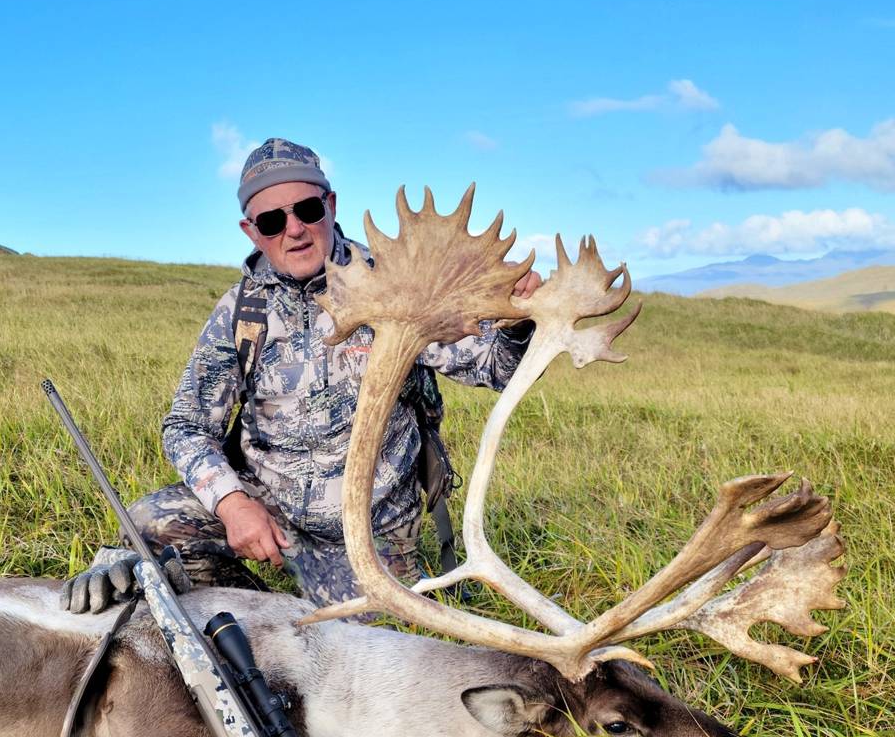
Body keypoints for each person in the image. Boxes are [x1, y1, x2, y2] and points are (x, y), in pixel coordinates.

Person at [62, 138, 540, 614]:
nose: (294, 230)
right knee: (148, 523)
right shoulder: (241, 312)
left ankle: (283, 612)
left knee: (369, 641)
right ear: (252, 231)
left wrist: (518, 322)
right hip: (270, 518)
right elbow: (186, 428)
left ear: (330, 206)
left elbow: (497, 369)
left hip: (371, 535)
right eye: (272, 221)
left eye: (307, 209)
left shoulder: (397, 288)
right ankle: (259, 611)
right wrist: (233, 505)